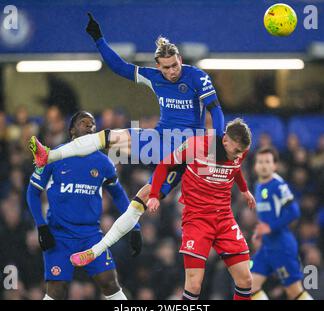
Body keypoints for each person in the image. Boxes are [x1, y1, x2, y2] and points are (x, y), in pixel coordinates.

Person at [29, 12, 225, 266]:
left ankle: (96, 250)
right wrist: (99, 39)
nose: (173, 71)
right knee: (112, 137)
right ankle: (49, 155)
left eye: (175, 65)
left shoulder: (196, 77)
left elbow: (216, 110)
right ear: (158, 67)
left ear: (180, 59)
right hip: (160, 139)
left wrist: (218, 140)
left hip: (186, 148)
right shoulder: (154, 77)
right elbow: (120, 67)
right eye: (166, 67)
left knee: (140, 200)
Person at [26, 111, 142, 300]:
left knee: (110, 283)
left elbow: (119, 194)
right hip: (59, 235)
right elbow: (32, 192)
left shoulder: (103, 162)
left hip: (90, 236)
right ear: (71, 130)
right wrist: (41, 226)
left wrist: (135, 227)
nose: (90, 126)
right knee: (57, 289)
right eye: (83, 123)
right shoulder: (54, 157)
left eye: (93, 124)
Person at [148, 118, 256, 300]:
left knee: (245, 280)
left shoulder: (239, 153)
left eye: (242, 152)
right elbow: (164, 165)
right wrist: (153, 196)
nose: (239, 156)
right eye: (236, 151)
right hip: (197, 219)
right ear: (225, 141)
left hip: (224, 218)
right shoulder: (195, 145)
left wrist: (245, 190)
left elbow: (235, 169)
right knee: (194, 285)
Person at [251, 147, 313, 300]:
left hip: (281, 246)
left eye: (267, 161)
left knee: (294, 292)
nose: (263, 165)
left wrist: (270, 227)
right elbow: (265, 217)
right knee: (249, 286)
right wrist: (260, 232)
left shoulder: (279, 185)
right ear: (255, 165)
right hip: (267, 246)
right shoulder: (258, 186)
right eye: (260, 161)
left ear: (274, 166)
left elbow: (294, 211)